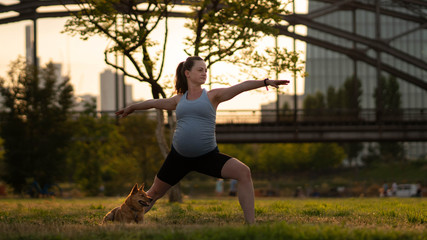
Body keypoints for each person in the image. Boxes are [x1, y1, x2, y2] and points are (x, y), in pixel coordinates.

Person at [115, 56, 290, 224]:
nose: (204, 73)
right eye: (200, 70)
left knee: (244, 172)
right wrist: (132, 107)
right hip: (178, 158)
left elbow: (241, 86)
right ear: (187, 73)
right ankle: (124, 221)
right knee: (152, 194)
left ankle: (250, 224)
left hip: (207, 157)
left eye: (205, 70)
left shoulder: (213, 96)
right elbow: (154, 103)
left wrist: (265, 82)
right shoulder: (178, 99)